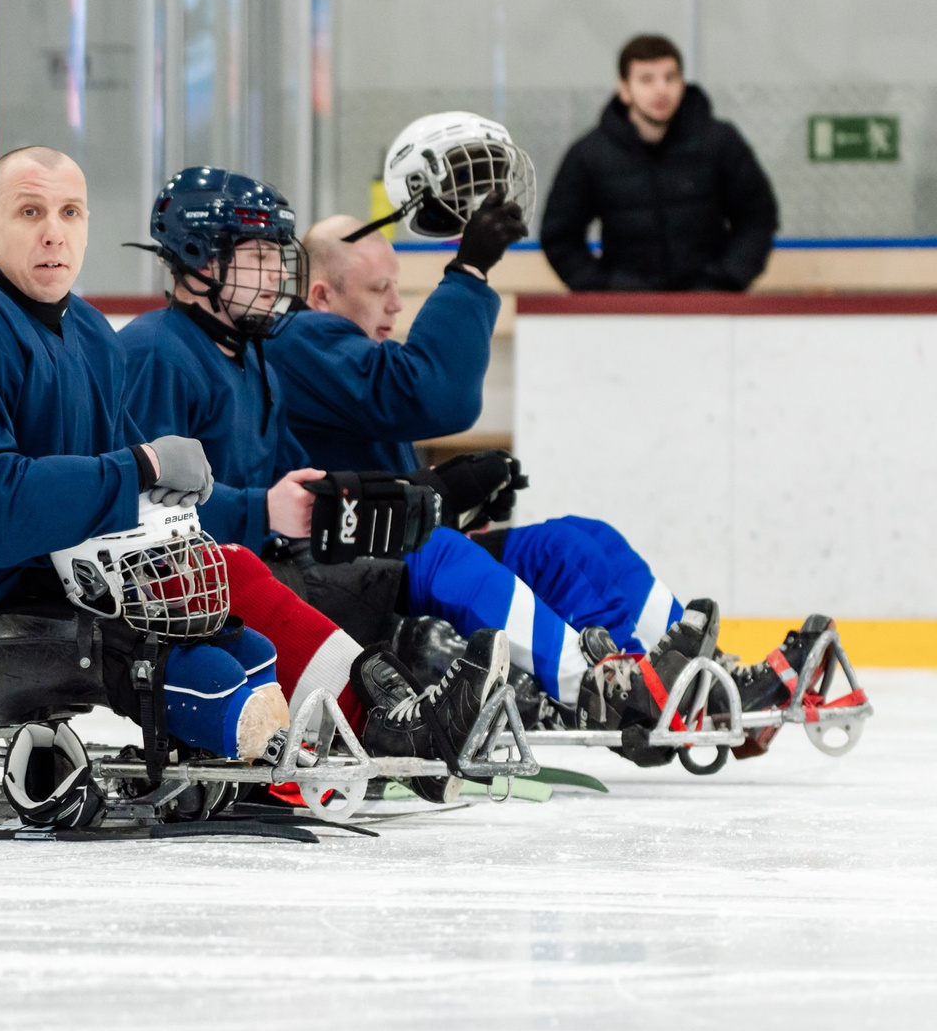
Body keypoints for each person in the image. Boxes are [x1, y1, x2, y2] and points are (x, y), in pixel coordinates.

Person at [0, 144, 507, 809]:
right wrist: (146, 468)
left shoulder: (89, 334)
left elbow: (120, 505)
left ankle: (392, 722)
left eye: (70, 211)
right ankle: (317, 750)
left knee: (233, 614)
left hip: (38, 583)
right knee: (190, 658)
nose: (53, 230)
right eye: (28, 211)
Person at [119, 164, 824, 758]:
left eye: (279, 256)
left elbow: (309, 484)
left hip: (301, 560)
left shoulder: (251, 358)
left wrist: (425, 491)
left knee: (575, 541)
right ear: (202, 260)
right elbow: (153, 507)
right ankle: (596, 686)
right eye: (259, 256)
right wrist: (266, 510)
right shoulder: (171, 349)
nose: (276, 275)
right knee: (443, 556)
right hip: (248, 582)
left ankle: (684, 675)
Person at [540, 33, 778, 293]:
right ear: (624, 89)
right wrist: (606, 289)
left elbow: (757, 218)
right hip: (626, 312)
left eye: (670, 77)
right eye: (646, 79)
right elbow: (560, 237)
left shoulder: (720, 142)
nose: (661, 89)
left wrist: (723, 280)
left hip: (709, 307)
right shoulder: (590, 154)